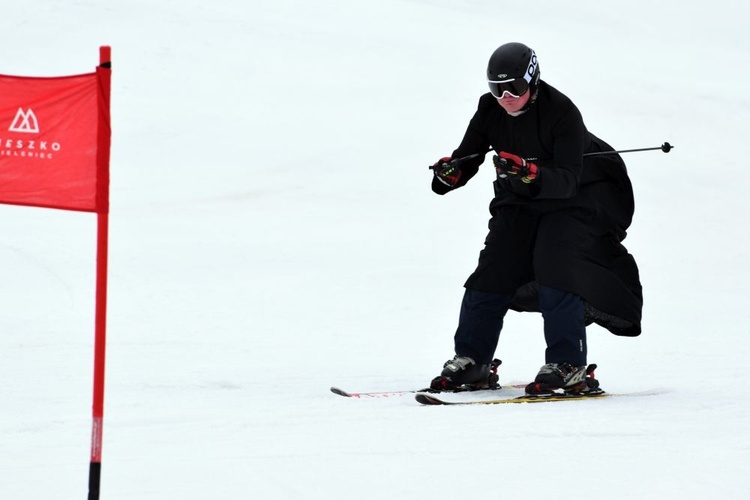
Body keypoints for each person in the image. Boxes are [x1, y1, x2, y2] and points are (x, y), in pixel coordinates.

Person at [429, 42, 643, 395]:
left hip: (579, 195)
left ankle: (567, 364)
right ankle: (472, 361)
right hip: (522, 197)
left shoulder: (562, 112)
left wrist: (531, 173)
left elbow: (568, 180)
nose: (506, 96)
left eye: (515, 87)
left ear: (533, 79)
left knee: (555, 259)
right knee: (494, 266)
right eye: (497, 88)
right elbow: (466, 159)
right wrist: (449, 175)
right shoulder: (489, 109)